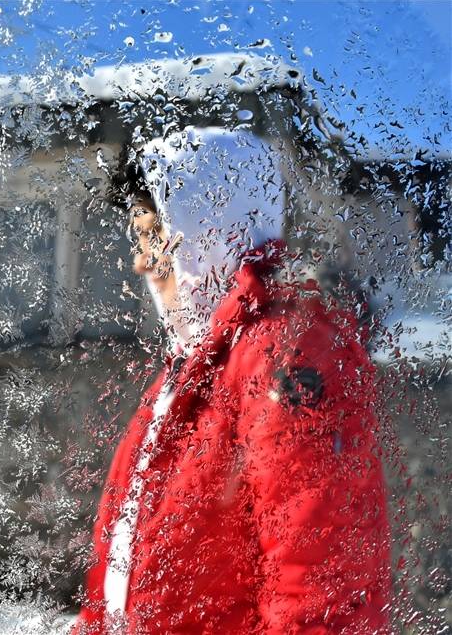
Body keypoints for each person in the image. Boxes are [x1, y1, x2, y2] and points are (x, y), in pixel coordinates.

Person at [73, 127, 392, 634]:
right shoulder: (185, 374)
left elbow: (317, 583)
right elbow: (119, 567)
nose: (140, 262)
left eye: (155, 235)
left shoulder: (284, 353)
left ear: (208, 231)